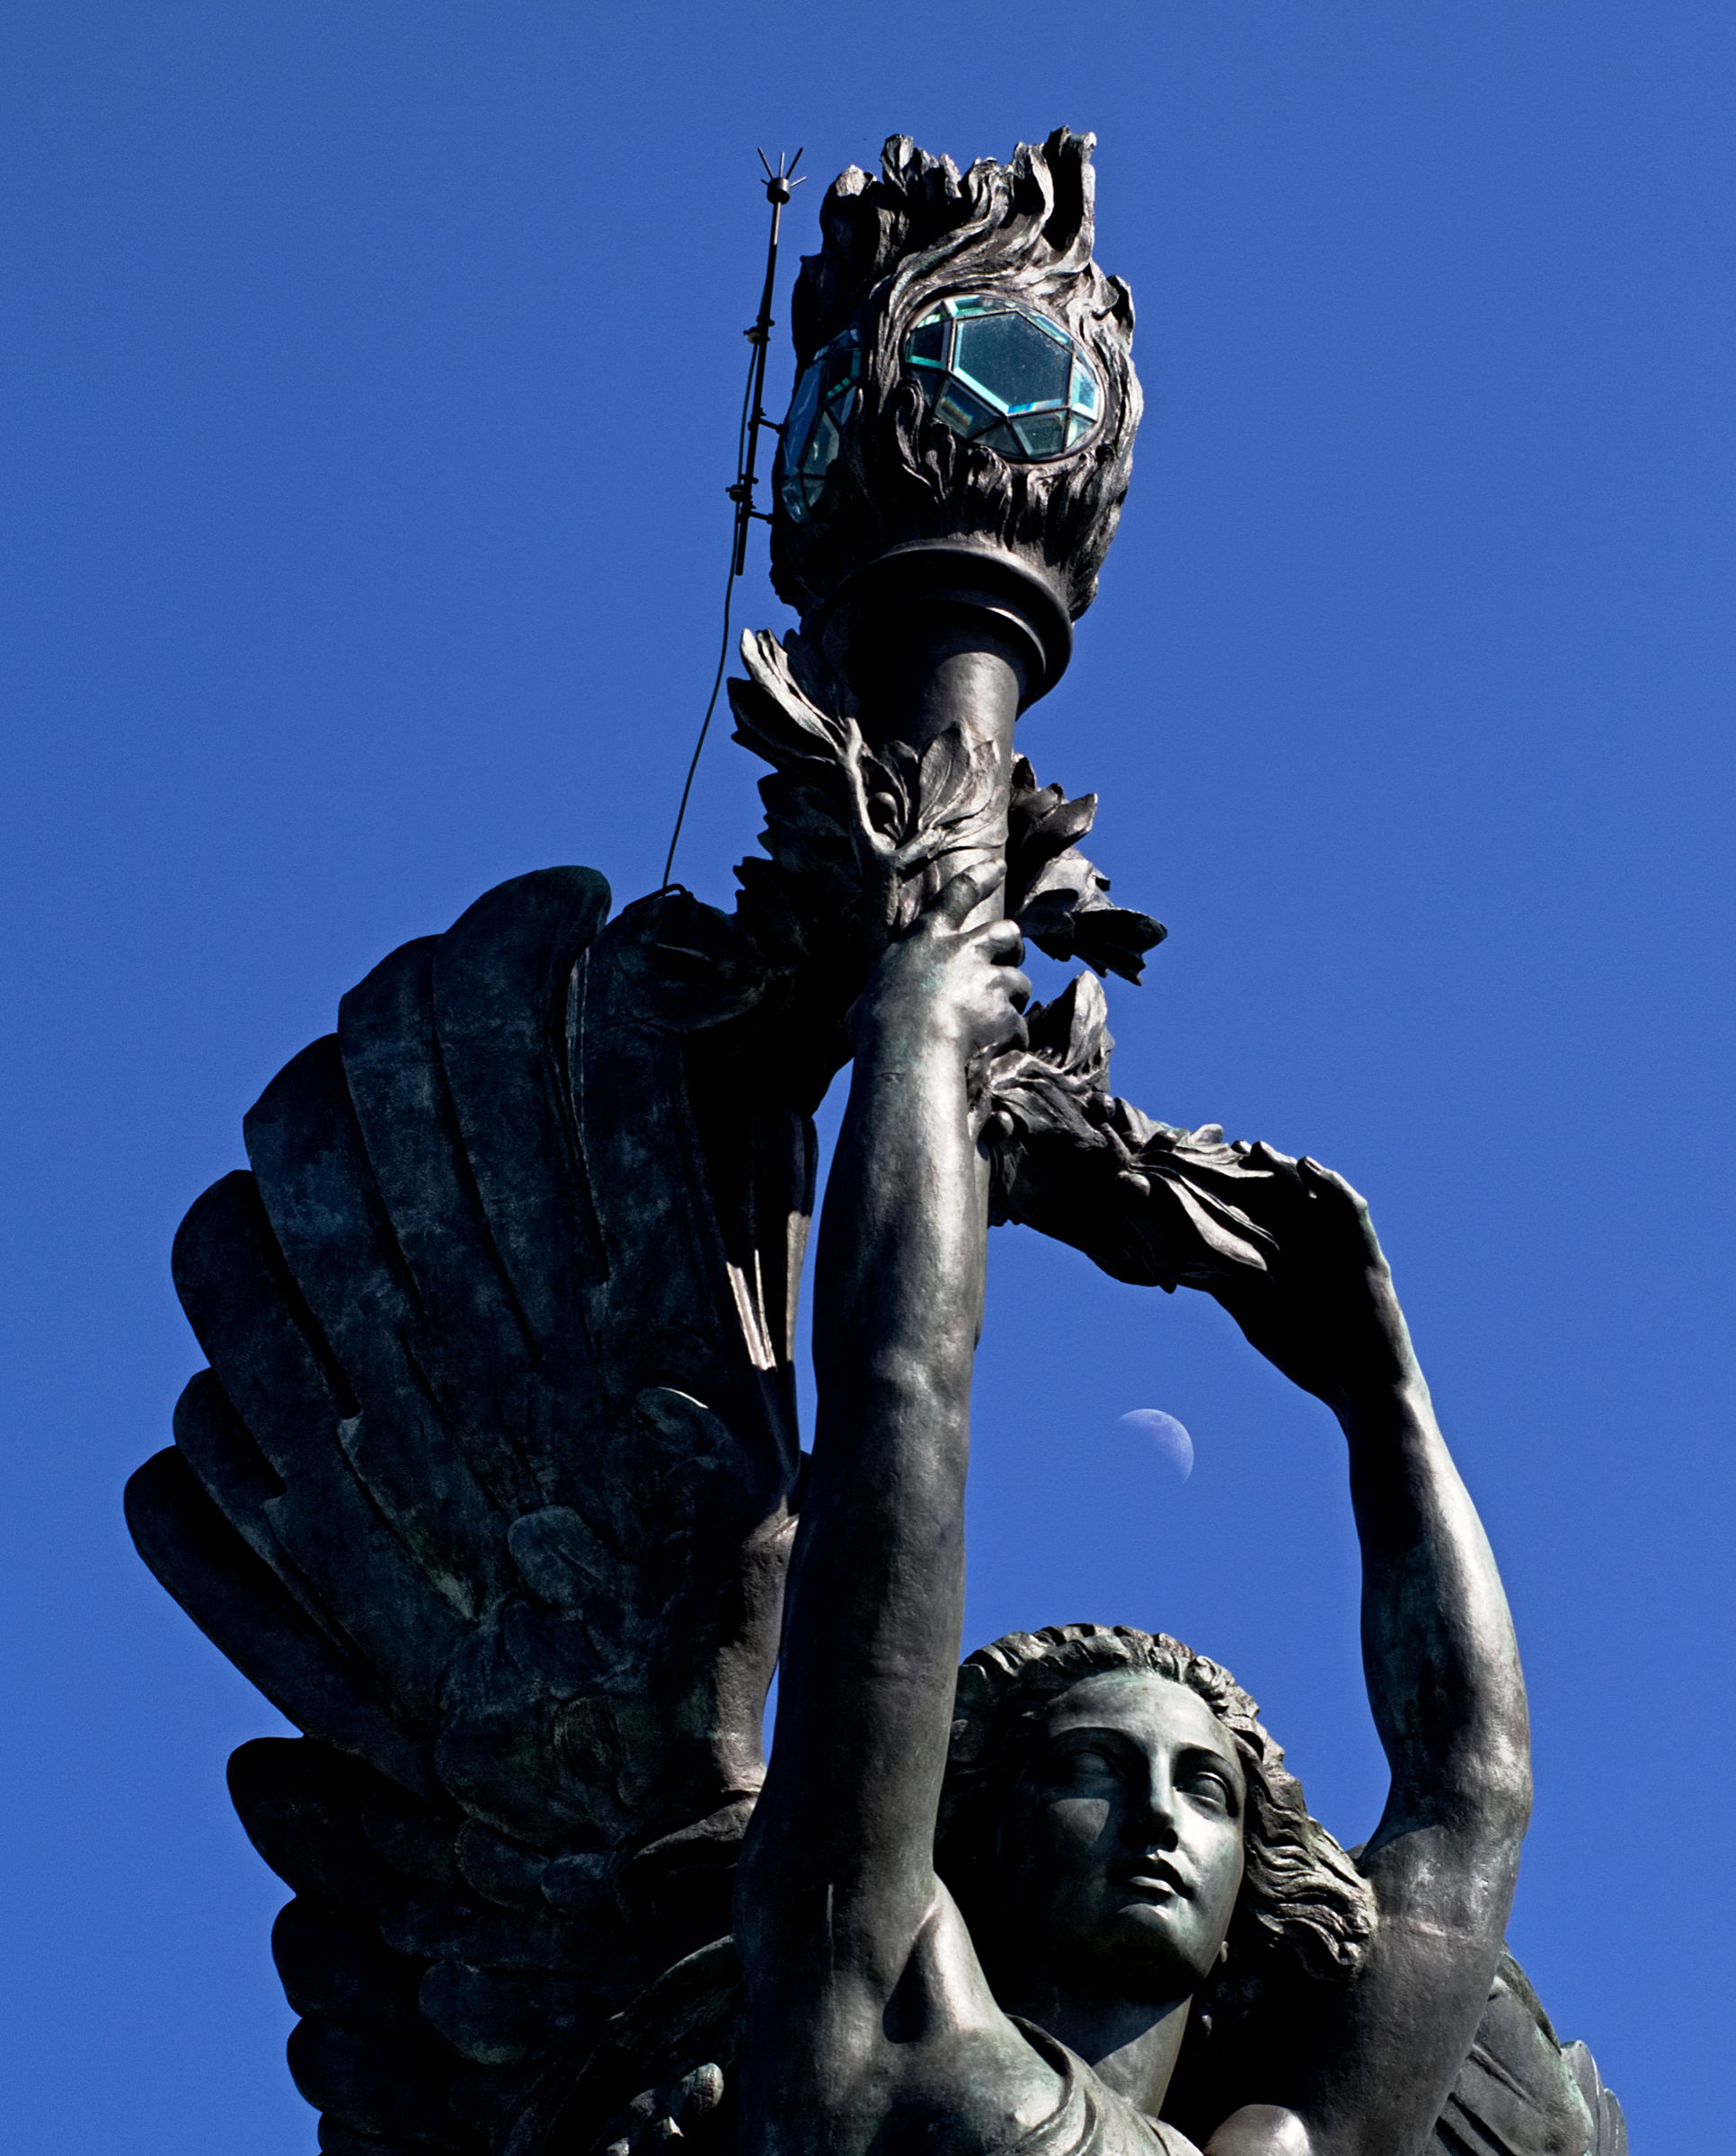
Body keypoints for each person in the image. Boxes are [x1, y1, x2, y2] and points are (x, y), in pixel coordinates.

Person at [734, 868, 1533, 2156]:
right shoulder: (879, 2013)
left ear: (1250, 1893)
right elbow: (898, 1427)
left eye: (1208, 1788)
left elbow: (1470, 1794)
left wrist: (1386, 1397)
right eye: (1091, 1770)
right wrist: (918, 1041)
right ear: (970, 1831)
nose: (1160, 1814)